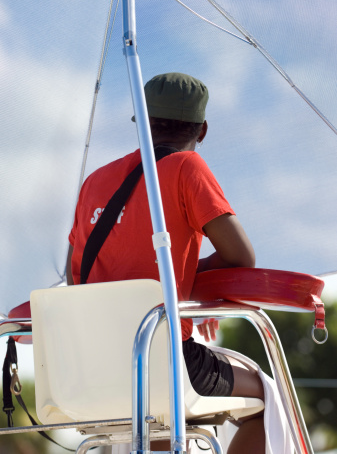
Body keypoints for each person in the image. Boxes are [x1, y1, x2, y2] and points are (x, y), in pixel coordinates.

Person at [66, 72, 265, 454]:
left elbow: (78, 280)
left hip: (94, 365)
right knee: (264, 397)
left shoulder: (94, 182)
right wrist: (187, 280)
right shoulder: (187, 167)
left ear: (139, 121)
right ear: (202, 130)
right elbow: (242, 257)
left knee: (160, 413)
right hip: (166, 359)